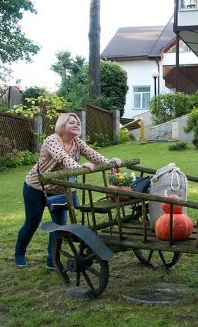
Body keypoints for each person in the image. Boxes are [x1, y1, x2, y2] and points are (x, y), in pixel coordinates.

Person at [14, 113, 122, 269]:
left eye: (78, 123)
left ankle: (52, 261)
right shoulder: (52, 140)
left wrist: (110, 163)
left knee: (59, 226)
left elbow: (93, 154)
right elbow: (62, 157)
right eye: (72, 122)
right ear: (62, 125)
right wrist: (79, 169)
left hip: (59, 190)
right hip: (36, 188)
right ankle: (19, 253)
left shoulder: (77, 142)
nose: (76, 125)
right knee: (32, 223)